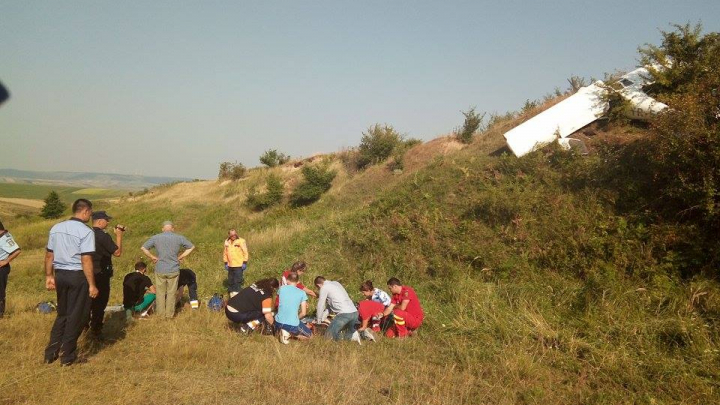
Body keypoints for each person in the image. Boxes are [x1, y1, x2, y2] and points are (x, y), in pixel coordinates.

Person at [44, 199, 98, 366]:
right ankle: (67, 356)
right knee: (77, 315)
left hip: (60, 275)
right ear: (86, 211)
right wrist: (92, 284)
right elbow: (86, 259)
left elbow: (49, 255)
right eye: (90, 212)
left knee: (63, 313)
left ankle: (50, 353)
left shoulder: (56, 228)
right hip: (77, 275)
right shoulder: (86, 231)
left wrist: (49, 276)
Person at [141, 221, 194, 319]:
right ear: (173, 229)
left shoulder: (156, 237)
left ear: (162, 229)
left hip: (160, 269)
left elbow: (143, 248)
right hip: (173, 269)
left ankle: (160, 315)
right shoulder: (179, 238)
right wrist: (181, 256)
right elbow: (191, 247)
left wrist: (152, 257)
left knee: (160, 293)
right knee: (171, 293)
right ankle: (169, 315)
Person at [88, 211, 124, 336]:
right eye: (106, 220)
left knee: (86, 303)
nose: (108, 222)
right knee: (100, 303)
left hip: (86, 274)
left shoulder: (86, 234)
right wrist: (119, 235)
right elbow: (117, 252)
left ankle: (84, 329)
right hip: (101, 274)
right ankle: (96, 331)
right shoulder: (103, 236)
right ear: (99, 221)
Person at [314, 276, 361, 343]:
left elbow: (320, 305)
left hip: (344, 314)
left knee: (328, 336)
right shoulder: (336, 283)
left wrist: (318, 321)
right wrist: (323, 317)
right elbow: (330, 305)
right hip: (354, 312)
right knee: (347, 335)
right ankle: (360, 335)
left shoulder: (324, 288)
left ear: (318, 285)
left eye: (318, 288)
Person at [275, 273, 312, 344]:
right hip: (292, 324)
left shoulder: (281, 289)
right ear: (298, 282)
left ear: (287, 280)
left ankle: (283, 331)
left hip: (278, 322)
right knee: (310, 337)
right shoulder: (302, 293)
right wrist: (296, 318)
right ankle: (290, 335)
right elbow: (303, 313)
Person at [0, 220, 21, 318]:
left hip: (1, 268)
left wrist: (6, 261)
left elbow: (17, 250)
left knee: (0, 292)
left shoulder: (5, 237)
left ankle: (0, 315)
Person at [223, 230, 248, 298]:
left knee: (237, 281)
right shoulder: (226, 242)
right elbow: (225, 253)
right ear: (229, 235)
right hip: (230, 265)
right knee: (231, 281)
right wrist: (225, 262)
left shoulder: (241, 241)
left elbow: (245, 252)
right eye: (232, 235)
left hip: (239, 265)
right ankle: (231, 295)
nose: (234, 236)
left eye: (235, 234)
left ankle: (237, 297)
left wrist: (244, 262)